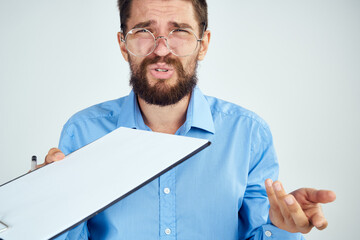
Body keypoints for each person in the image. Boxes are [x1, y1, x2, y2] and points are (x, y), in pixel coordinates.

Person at [40, 0, 336, 239]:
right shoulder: (83, 132)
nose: (161, 50)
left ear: (203, 44)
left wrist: (282, 226)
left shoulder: (248, 133)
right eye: (144, 30)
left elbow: (258, 233)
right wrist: (43, 210)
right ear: (122, 44)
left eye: (179, 30)